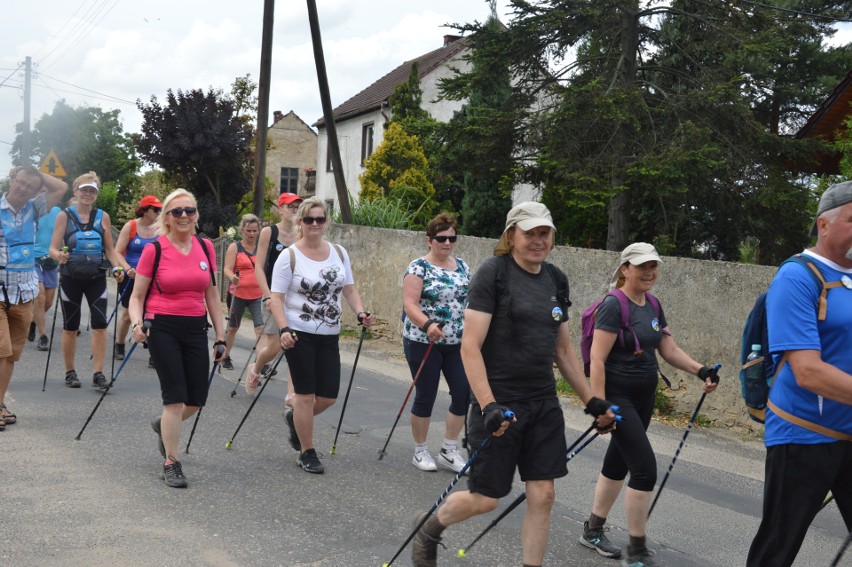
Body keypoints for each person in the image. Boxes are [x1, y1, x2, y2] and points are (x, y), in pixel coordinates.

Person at [411, 202, 616, 567]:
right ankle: (431, 527)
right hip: (500, 404)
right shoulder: (495, 273)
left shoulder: (555, 279)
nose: (538, 241)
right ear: (511, 236)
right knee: (487, 498)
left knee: (544, 495)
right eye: (530, 233)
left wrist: (593, 402)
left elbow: (564, 350)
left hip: (542, 403)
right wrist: (488, 405)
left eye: (544, 233)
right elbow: (470, 347)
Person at [579, 242, 719, 566]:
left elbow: (668, 349)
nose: (649, 272)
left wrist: (701, 370)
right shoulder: (614, 305)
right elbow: (597, 359)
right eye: (642, 266)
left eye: (653, 266)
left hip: (644, 398)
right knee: (644, 470)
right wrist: (600, 406)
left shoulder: (653, 304)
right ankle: (637, 550)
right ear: (625, 268)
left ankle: (592, 530)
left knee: (618, 464)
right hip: (618, 398)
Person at [747, 181, 852, 567]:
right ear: (823, 225)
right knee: (778, 545)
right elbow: (807, 371)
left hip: (849, 433)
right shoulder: (796, 276)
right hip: (804, 433)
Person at [127, 188, 226, 488]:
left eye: (189, 211)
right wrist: (136, 323)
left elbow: (211, 294)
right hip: (162, 328)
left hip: (196, 327)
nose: (184, 216)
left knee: (196, 400)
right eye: (176, 212)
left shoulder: (206, 248)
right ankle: (172, 461)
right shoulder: (154, 250)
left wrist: (221, 336)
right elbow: (137, 297)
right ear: (167, 218)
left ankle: (162, 426)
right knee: (174, 397)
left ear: (196, 215)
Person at [269, 196, 374, 475]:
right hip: (298, 333)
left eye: (320, 219)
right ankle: (307, 451)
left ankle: (295, 420)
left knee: (327, 397)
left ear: (326, 222)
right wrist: (283, 329)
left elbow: (349, 288)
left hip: (329, 332)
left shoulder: (338, 252)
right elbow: (276, 297)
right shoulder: (289, 256)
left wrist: (361, 313)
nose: (314, 224)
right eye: (308, 219)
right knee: (305, 395)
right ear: (299, 222)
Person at [402, 213, 471, 473]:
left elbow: (469, 301)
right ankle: (420, 451)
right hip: (424, 340)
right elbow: (409, 304)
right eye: (442, 238)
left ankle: (449, 450)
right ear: (429, 240)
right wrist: (428, 325)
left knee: (463, 394)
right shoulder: (419, 267)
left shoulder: (463, 266)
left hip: (458, 343)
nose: (447, 243)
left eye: (452, 238)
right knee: (426, 395)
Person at [1, 165, 67, 429]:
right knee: (1, 350)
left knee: (12, 355)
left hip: (24, 290)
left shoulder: (35, 207)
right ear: (12, 180)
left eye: (30, 185)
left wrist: (39, 175)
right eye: (20, 182)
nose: (23, 188)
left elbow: (60, 187)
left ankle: (1, 402)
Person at [49, 172, 124, 390]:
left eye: (92, 190)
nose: (88, 194)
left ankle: (98, 373)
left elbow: (110, 250)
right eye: (84, 190)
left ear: (96, 194)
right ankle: (70, 372)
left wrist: (117, 268)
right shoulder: (65, 215)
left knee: (100, 325)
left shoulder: (103, 217)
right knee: (70, 327)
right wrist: (59, 256)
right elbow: (52, 248)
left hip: (96, 278)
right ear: (76, 191)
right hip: (71, 277)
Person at [249, 192, 301, 398]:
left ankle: (291, 395)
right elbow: (259, 268)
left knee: (296, 346)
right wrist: (268, 296)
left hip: (296, 296)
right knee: (274, 346)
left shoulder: (303, 233)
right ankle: (257, 368)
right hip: (274, 295)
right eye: (290, 206)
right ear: (280, 209)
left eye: (298, 206)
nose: (294, 210)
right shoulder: (269, 232)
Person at [114, 195, 162, 360]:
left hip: (153, 278)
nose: (158, 212)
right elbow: (118, 252)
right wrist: (127, 269)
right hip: (132, 277)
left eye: (159, 209)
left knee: (153, 314)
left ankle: (154, 351)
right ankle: (119, 344)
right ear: (145, 210)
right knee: (128, 314)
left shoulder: (160, 229)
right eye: (155, 209)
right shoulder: (131, 226)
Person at [220, 213, 264, 369]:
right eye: (248, 231)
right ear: (242, 231)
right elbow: (226, 268)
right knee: (232, 328)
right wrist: (232, 277)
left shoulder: (261, 248)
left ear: (259, 231)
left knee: (260, 328)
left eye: (254, 231)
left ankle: (261, 361)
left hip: (257, 295)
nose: (252, 234)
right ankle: (225, 356)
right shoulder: (235, 247)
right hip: (237, 294)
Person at [30, 203, 62, 350]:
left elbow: (64, 234)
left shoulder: (58, 212)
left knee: (48, 301)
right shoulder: (32, 209)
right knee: (40, 296)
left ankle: (33, 320)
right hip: (34, 259)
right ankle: (43, 336)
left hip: (51, 261)